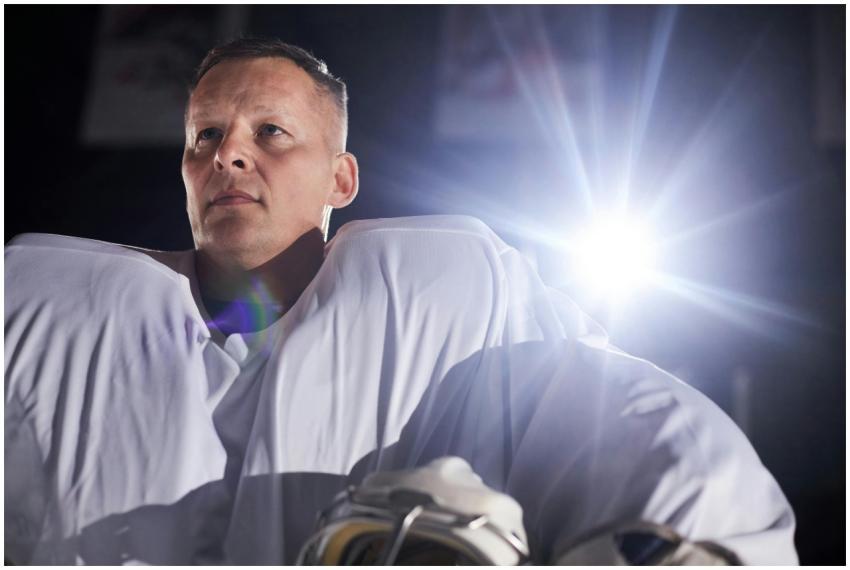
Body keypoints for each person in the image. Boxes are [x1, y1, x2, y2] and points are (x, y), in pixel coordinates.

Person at [4, 38, 797, 565]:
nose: (228, 153)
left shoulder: (445, 297)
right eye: (205, 136)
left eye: (270, 132)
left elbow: (614, 411)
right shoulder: (48, 313)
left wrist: (690, 538)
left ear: (341, 180)